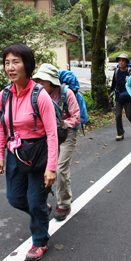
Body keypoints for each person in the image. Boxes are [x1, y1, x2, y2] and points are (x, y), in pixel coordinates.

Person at [0, 44, 58, 261]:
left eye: (16, 62)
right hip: (15, 153)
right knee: (14, 198)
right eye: (7, 63)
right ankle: (42, 207)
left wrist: (51, 168)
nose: (10, 68)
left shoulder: (40, 95)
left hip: (38, 153)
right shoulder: (4, 96)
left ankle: (40, 241)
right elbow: (0, 127)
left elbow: (52, 134)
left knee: (34, 200)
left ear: (27, 65)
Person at [32, 64, 81, 221]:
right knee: (43, 168)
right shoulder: (38, 95)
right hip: (48, 135)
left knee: (60, 169)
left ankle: (64, 204)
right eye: (37, 80)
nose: (39, 84)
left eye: (42, 80)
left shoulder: (67, 93)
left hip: (67, 133)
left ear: (51, 82)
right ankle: (42, 202)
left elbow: (77, 117)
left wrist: (63, 124)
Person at [109, 53, 131, 141]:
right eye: (119, 61)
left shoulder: (130, 72)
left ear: (126, 62)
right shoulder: (117, 72)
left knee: (129, 115)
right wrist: (110, 96)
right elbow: (114, 84)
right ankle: (120, 133)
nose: (121, 62)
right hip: (118, 96)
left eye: (123, 61)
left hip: (128, 96)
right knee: (118, 115)